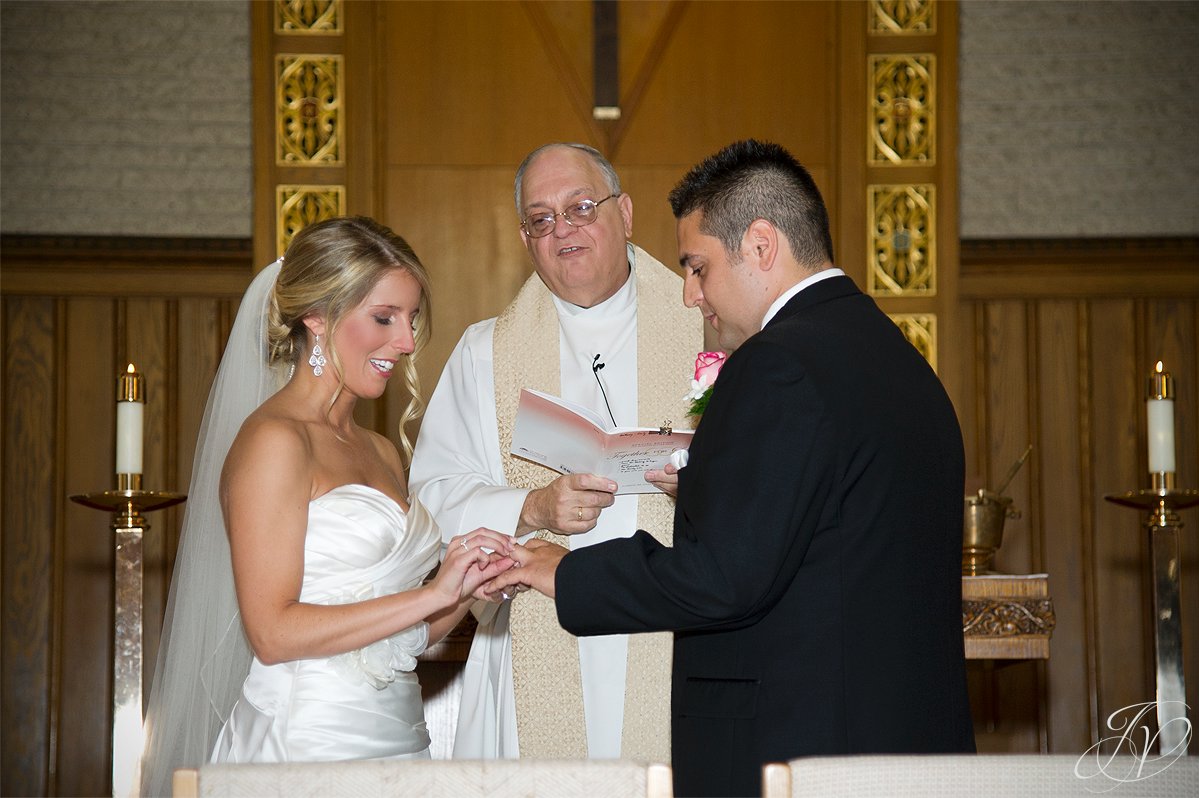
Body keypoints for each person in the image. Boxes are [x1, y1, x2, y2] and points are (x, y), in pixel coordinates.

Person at [488, 139, 976, 797]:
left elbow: (723, 577)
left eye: (699, 266)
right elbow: (829, 540)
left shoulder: (778, 364)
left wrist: (566, 572)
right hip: (900, 742)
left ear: (762, 246)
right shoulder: (897, 360)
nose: (690, 295)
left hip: (804, 751)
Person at [140, 216, 515, 795]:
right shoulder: (274, 442)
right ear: (318, 318)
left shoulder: (383, 452)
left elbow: (402, 636)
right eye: (384, 318)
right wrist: (433, 592)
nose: (408, 342)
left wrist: (465, 591)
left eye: (411, 319)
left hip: (400, 741)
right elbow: (273, 632)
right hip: (305, 748)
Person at [408, 142, 704, 762]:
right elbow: (431, 500)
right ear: (525, 239)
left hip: (678, 633)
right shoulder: (485, 353)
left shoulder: (710, 332)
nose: (561, 229)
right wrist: (533, 507)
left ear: (624, 214)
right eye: (541, 219)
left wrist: (701, 483)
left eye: (580, 208)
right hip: (535, 633)